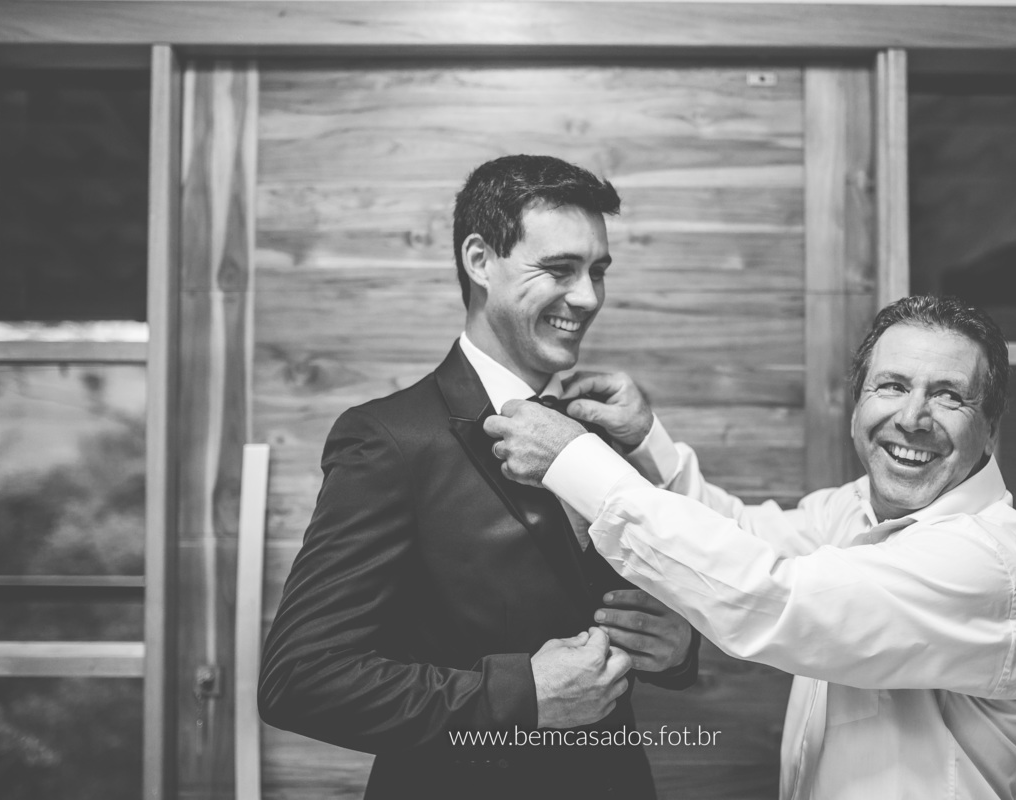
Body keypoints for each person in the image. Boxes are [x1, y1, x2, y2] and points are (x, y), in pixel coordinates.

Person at [485, 295, 1016, 800]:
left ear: (991, 427)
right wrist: (644, 443)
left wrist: (575, 462)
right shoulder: (854, 508)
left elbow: (770, 595)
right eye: (891, 386)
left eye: (949, 396)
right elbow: (741, 536)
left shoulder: (991, 563)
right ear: (857, 405)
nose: (912, 418)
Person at [258, 154, 698, 800]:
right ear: (479, 260)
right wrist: (520, 696)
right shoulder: (389, 439)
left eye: (597, 271)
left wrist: (676, 648)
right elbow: (301, 678)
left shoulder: (599, 434)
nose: (588, 297)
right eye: (560, 269)